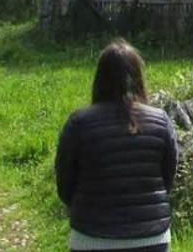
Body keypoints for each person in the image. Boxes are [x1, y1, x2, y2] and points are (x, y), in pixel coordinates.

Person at [56, 39, 179, 252]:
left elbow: (65, 183)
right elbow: (167, 177)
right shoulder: (160, 121)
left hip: (92, 235)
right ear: (139, 76)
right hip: (152, 237)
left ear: (99, 78)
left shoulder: (79, 123)